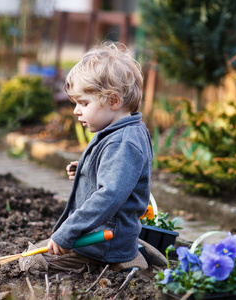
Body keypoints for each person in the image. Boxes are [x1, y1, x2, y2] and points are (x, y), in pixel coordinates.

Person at [19, 41, 165, 278]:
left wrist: (68, 232)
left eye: (84, 103)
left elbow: (108, 196)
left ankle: (116, 262)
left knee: (31, 263)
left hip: (101, 244)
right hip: (107, 235)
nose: (76, 110)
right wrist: (87, 170)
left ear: (114, 101)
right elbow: (119, 178)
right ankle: (129, 251)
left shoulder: (122, 142)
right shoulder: (126, 130)